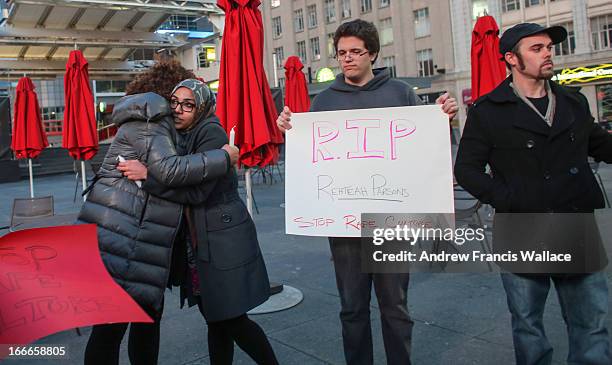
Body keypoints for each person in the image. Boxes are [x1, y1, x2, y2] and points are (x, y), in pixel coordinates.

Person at [276, 19, 458, 365]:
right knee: (352, 308)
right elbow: (309, 158)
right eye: (341, 53)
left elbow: (425, 148)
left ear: (372, 53)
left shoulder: (401, 93)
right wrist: (289, 129)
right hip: (343, 226)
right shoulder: (324, 102)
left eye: (355, 52)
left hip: (391, 221)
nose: (347, 59)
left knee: (396, 308)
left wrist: (442, 120)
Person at [454, 23, 612, 365]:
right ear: (511, 58)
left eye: (549, 48)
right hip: (522, 227)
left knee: (593, 322)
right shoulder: (487, 110)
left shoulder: (573, 102)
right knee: (528, 325)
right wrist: (510, 198)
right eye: (537, 48)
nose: (547, 54)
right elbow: (466, 170)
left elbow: (602, 146)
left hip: (574, 224)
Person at [78, 61, 239, 365]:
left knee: (139, 322)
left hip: (135, 237)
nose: (179, 107)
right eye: (176, 99)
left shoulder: (147, 121)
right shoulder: (150, 122)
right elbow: (170, 170)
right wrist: (224, 156)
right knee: (113, 329)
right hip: (127, 238)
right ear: (166, 94)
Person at [119, 79, 278, 365]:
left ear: (201, 108)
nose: (178, 109)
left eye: (188, 105)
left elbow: (196, 191)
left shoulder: (210, 133)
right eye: (174, 102)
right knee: (216, 318)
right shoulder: (179, 134)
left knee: (232, 319)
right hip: (201, 240)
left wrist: (148, 176)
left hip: (220, 239)